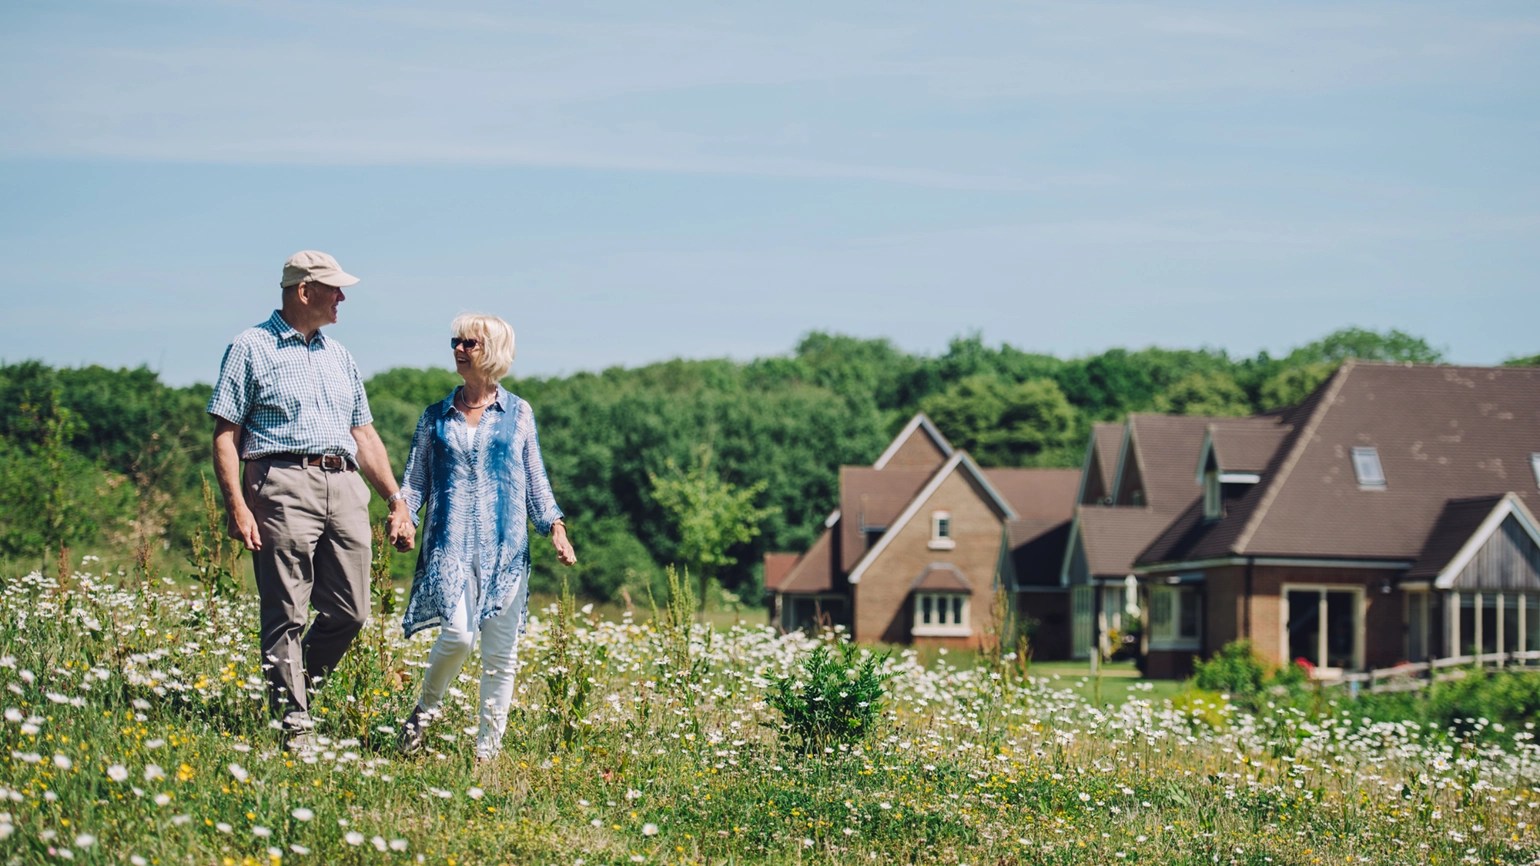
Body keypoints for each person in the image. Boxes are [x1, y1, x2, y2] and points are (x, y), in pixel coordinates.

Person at [208, 250, 415, 749]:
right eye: (335, 288)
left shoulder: (339, 355)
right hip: (280, 482)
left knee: (352, 611)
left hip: (344, 485)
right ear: (305, 291)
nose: (342, 297)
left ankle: (294, 688)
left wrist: (395, 498)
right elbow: (225, 435)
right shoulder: (250, 347)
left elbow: (364, 434)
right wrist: (236, 505)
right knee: (286, 610)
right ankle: (292, 721)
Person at [396, 312, 575, 762]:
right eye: (455, 341)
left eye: (469, 343)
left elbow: (535, 478)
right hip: (448, 544)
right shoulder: (435, 416)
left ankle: (487, 756)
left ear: (491, 350)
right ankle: (423, 715)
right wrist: (403, 515)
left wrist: (555, 526)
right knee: (458, 637)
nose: (458, 349)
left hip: (505, 548)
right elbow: (415, 480)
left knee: (501, 655)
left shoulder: (519, 413)